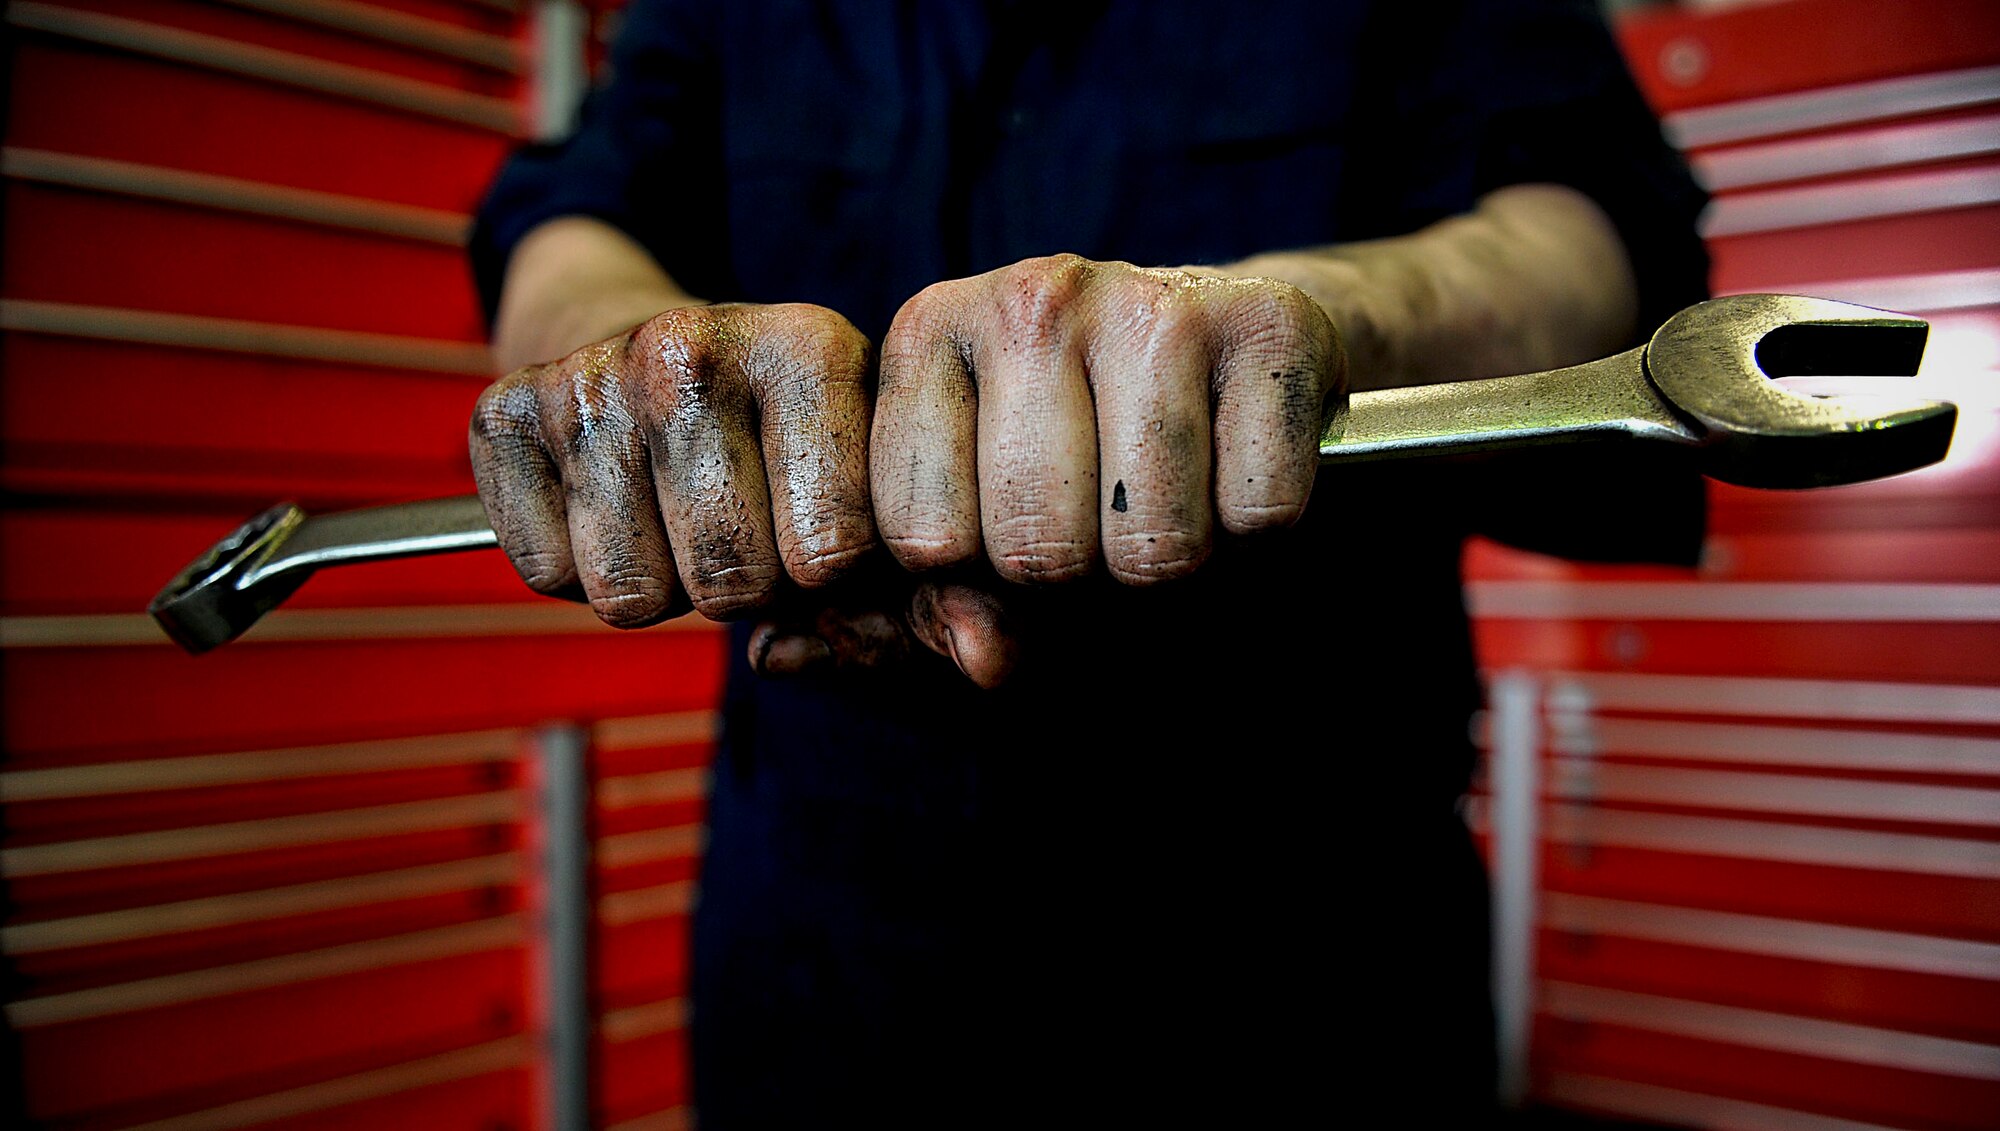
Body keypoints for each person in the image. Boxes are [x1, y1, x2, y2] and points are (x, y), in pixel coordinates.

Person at [468, 1, 1708, 1123]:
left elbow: (1596, 235)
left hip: (1305, 929)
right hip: (821, 942)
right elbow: (571, 219)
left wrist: (1314, 318)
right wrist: (620, 355)